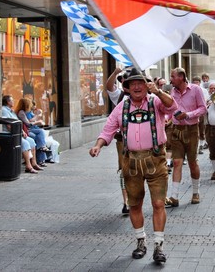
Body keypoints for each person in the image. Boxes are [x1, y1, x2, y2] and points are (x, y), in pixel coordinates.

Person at [89, 67, 177, 264]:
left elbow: (173, 108)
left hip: (156, 160)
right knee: (134, 204)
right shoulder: (122, 107)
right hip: (131, 162)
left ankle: (158, 245)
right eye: (132, 83)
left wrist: (158, 91)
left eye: (140, 83)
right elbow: (109, 129)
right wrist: (98, 145)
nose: (137, 86)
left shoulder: (156, 102)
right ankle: (140, 241)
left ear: (146, 85)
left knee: (158, 203)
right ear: (127, 88)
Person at [167, 67, 207, 207]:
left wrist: (188, 114)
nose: (170, 79)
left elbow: (203, 108)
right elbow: (171, 109)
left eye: (172, 76)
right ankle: (174, 196)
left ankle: (196, 192)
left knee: (192, 163)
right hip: (177, 129)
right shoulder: (173, 91)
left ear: (181, 78)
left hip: (191, 130)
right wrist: (167, 117)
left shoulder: (196, 89)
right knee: (176, 162)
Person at [106, 66, 130, 215]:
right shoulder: (119, 96)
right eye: (124, 82)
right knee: (124, 171)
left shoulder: (146, 97)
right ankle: (126, 202)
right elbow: (108, 86)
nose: (126, 84)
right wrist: (115, 73)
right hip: (123, 140)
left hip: (142, 141)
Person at [1, 95, 44, 173]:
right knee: (25, 143)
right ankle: (28, 166)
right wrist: (20, 132)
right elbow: (8, 124)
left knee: (32, 142)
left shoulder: (11, 110)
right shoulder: (4, 110)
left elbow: (18, 123)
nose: (13, 101)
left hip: (18, 132)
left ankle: (34, 163)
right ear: (8, 102)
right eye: (12, 100)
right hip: (11, 134)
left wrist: (23, 131)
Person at [15, 98, 50, 167]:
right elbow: (28, 123)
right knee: (36, 137)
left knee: (39, 137)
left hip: (27, 130)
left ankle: (40, 158)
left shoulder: (26, 111)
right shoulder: (21, 112)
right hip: (25, 130)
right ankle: (39, 159)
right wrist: (37, 121)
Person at [192, 76, 209, 154]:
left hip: (201, 111)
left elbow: (206, 100)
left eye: (197, 82)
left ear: (200, 82)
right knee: (195, 130)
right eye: (194, 82)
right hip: (193, 112)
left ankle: (201, 145)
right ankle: (196, 146)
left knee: (202, 128)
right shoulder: (190, 90)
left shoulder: (204, 90)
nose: (196, 84)